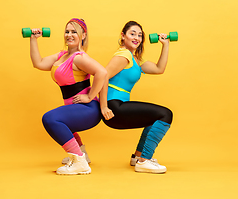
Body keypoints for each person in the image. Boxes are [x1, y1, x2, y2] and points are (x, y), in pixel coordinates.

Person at [29, 18, 107, 175]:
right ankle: (82, 153)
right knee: (61, 122)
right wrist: (33, 39)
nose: (69, 35)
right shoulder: (61, 56)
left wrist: (90, 96)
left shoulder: (79, 57)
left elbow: (102, 73)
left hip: (87, 109)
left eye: (74, 32)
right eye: (67, 31)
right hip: (75, 108)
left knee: (50, 119)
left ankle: (79, 161)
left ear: (83, 35)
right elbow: (39, 63)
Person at [100, 21, 173, 173]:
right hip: (113, 107)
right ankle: (144, 160)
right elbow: (103, 76)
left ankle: (138, 156)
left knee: (155, 118)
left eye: (139, 35)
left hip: (119, 106)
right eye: (132, 33)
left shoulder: (136, 60)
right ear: (123, 36)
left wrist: (165, 44)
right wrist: (104, 107)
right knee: (166, 114)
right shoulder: (124, 54)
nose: (137, 38)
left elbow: (159, 69)